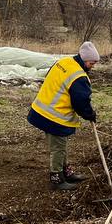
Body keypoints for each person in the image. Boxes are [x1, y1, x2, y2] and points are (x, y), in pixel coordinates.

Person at [27, 41, 101, 191]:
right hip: (54, 116)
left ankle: (66, 172)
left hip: (43, 110)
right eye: (92, 63)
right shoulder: (79, 77)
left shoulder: (64, 62)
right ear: (84, 59)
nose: (93, 66)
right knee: (58, 148)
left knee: (60, 145)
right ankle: (57, 179)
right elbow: (81, 102)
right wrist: (90, 114)